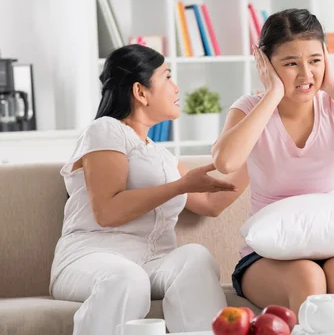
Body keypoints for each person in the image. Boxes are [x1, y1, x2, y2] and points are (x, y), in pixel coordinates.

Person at [210, 8, 334, 319]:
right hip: (267, 257)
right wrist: (272, 94)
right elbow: (226, 161)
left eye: (314, 60)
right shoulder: (248, 109)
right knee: (307, 275)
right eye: (290, 63)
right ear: (265, 63)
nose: (306, 74)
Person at [50, 44, 239, 335]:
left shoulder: (162, 157)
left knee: (196, 258)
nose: (177, 88)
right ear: (140, 92)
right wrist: (178, 187)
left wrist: (265, 151)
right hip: (92, 259)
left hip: (152, 263)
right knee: (128, 278)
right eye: (167, 77)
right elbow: (107, 211)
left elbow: (211, 203)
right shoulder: (105, 130)